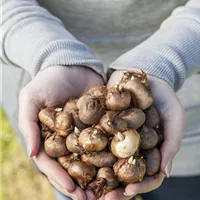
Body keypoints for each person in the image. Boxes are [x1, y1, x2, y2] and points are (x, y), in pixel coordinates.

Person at [1, 0, 200, 199]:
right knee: (72, 188)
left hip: (188, 127)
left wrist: (169, 60)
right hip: (45, 81)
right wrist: (51, 55)